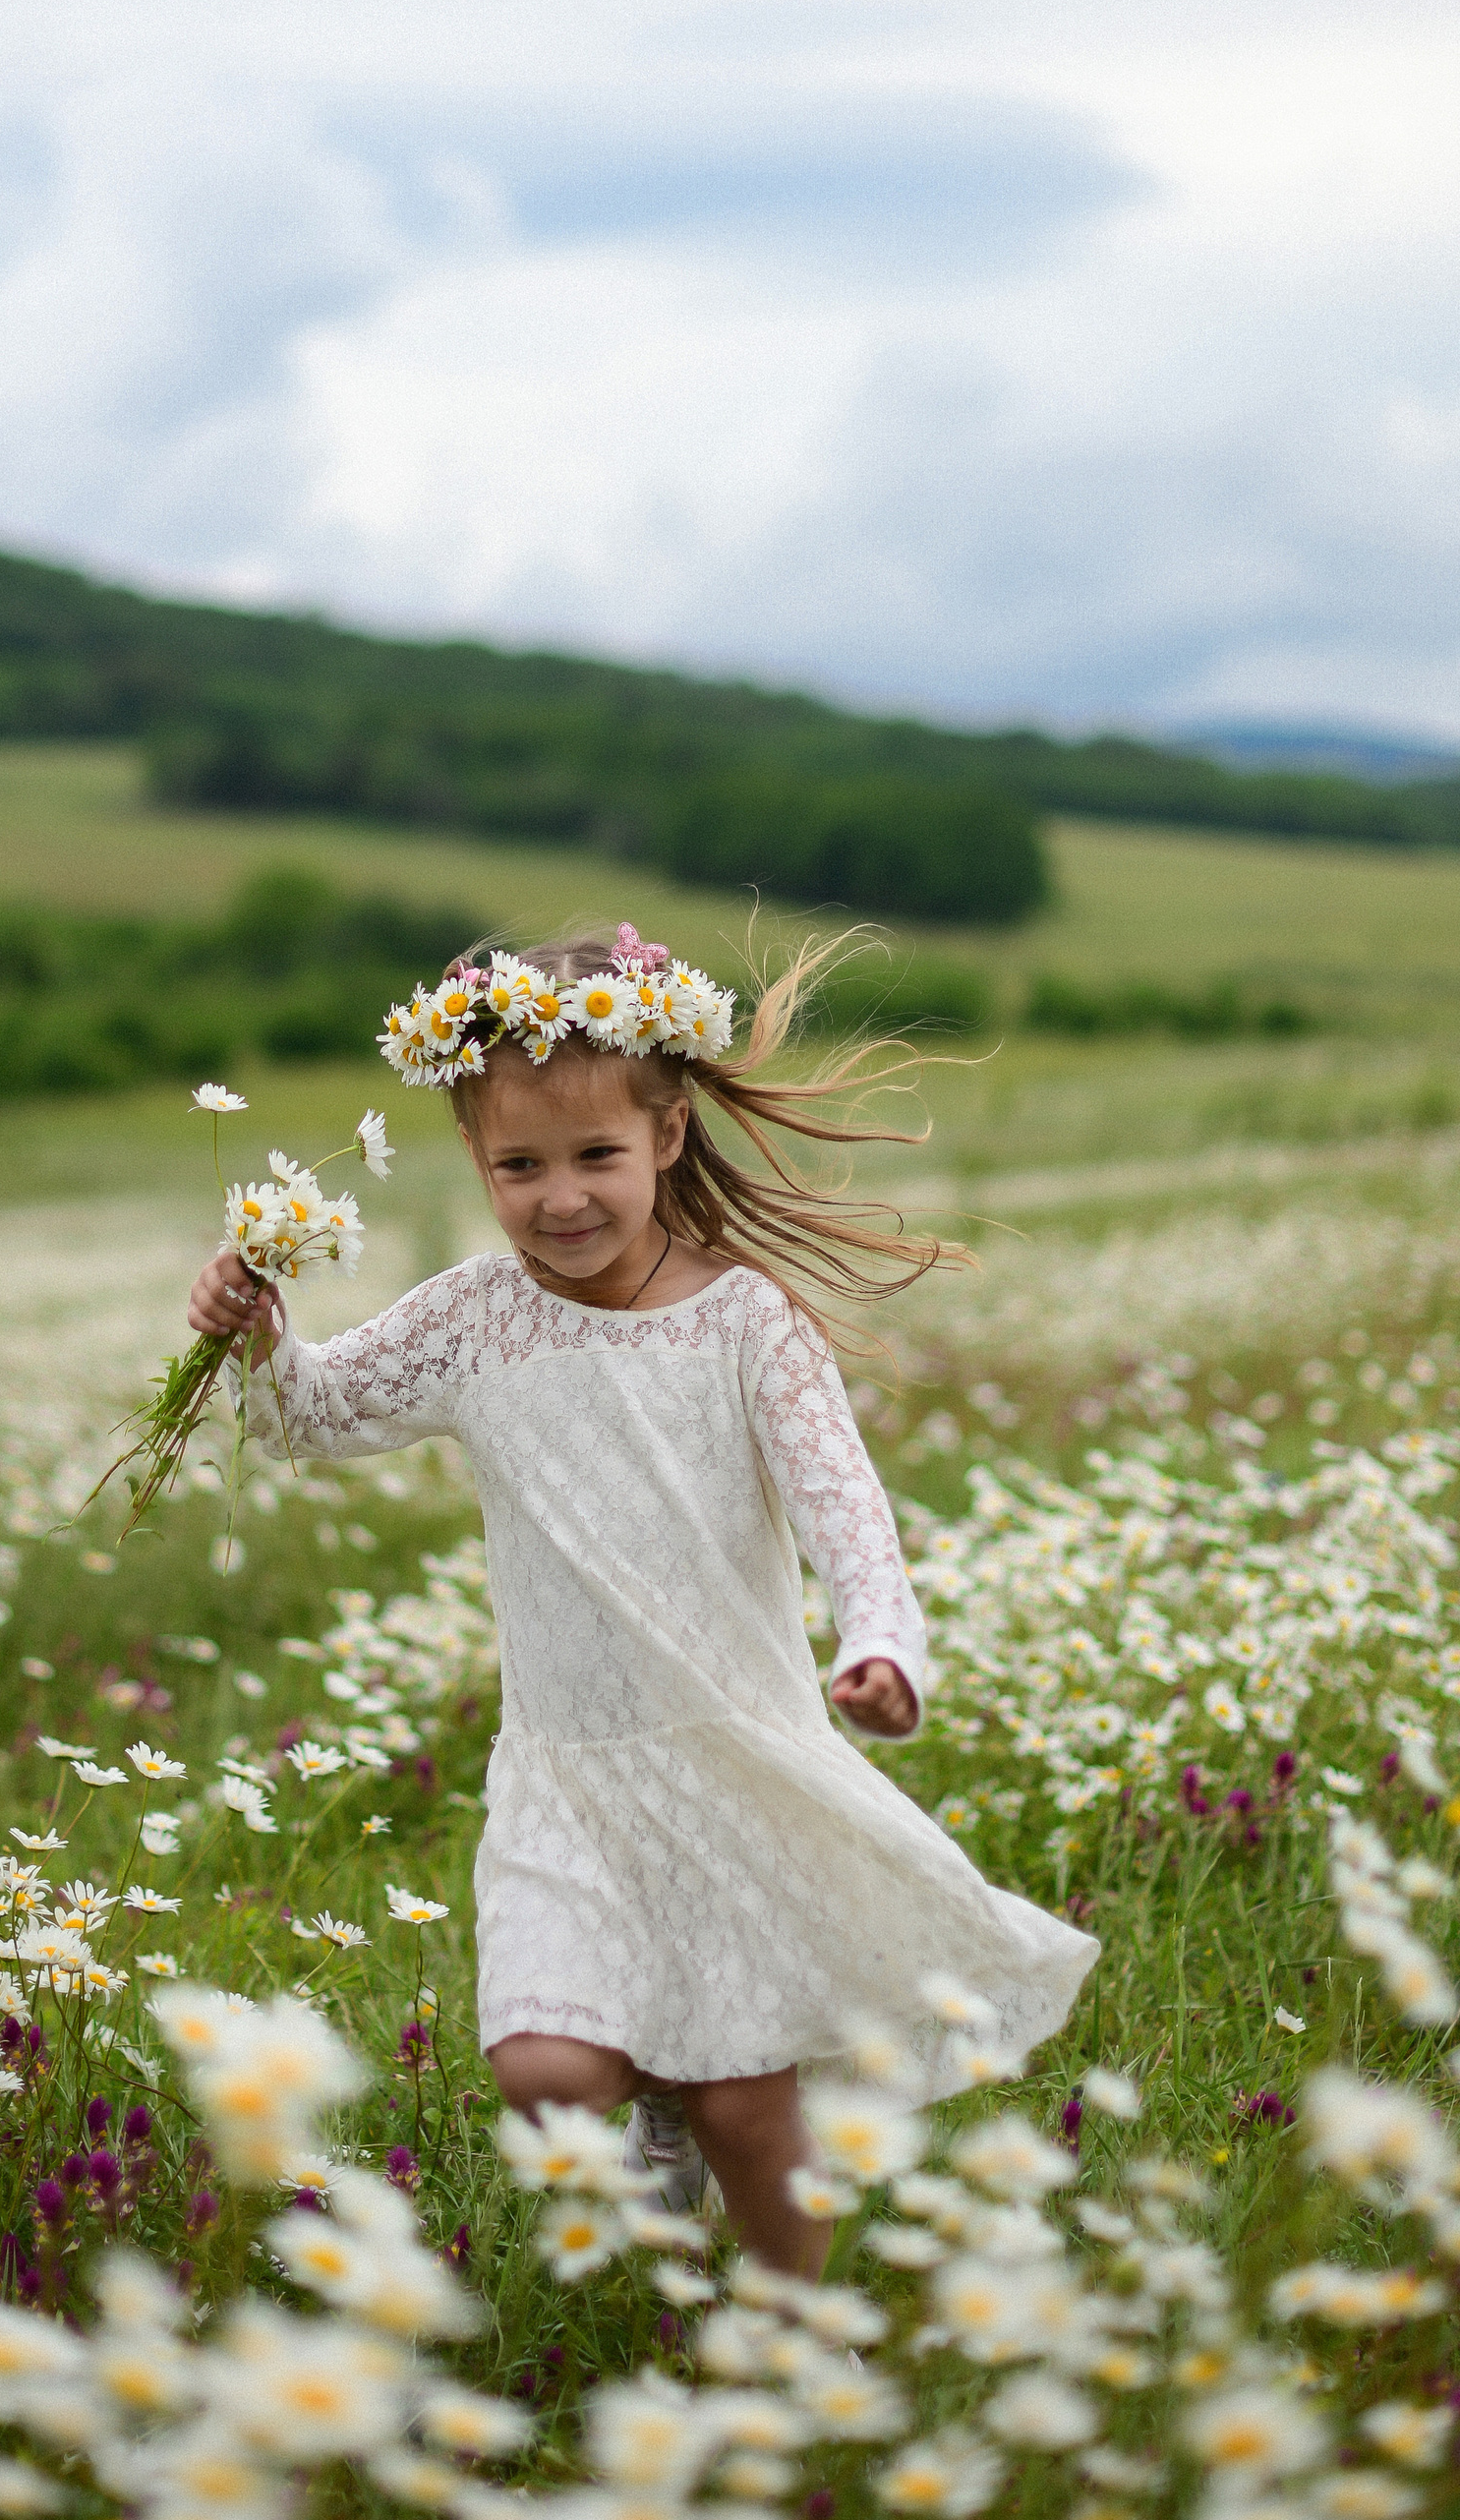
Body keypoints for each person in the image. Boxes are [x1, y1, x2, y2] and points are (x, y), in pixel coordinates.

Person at [184, 925, 1096, 2274]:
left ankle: (797, 2330)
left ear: (667, 1137)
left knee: (745, 2105)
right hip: (568, 1775)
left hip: (736, 1770)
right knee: (547, 2070)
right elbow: (313, 1415)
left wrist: (883, 1644)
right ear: (477, 1158)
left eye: (595, 1155)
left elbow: (849, 1515)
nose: (560, 1197)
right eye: (520, 1165)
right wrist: (257, 1337)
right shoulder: (474, 1319)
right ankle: (651, 2107)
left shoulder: (746, 1322)